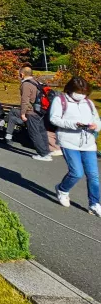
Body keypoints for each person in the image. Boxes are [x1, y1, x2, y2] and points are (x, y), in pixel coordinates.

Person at [49, 76, 100, 215]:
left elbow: (97, 119)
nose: (82, 95)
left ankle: (95, 203)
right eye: (79, 92)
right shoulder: (60, 100)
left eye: (84, 92)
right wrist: (74, 124)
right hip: (68, 141)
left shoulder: (88, 103)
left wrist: (96, 126)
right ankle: (62, 189)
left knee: (93, 175)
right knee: (77, 172)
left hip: (88, 143)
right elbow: (54, 119)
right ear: (71, 90)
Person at [6, 66, 54, 161]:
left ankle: (43, 154)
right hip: (40, 111)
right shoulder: (36, 82)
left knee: (34, 133)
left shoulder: (26, 84)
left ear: (22, 74)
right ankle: (46, 151)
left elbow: (25, 100)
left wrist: (23, 113)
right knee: (41, 131)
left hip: (31, 112)